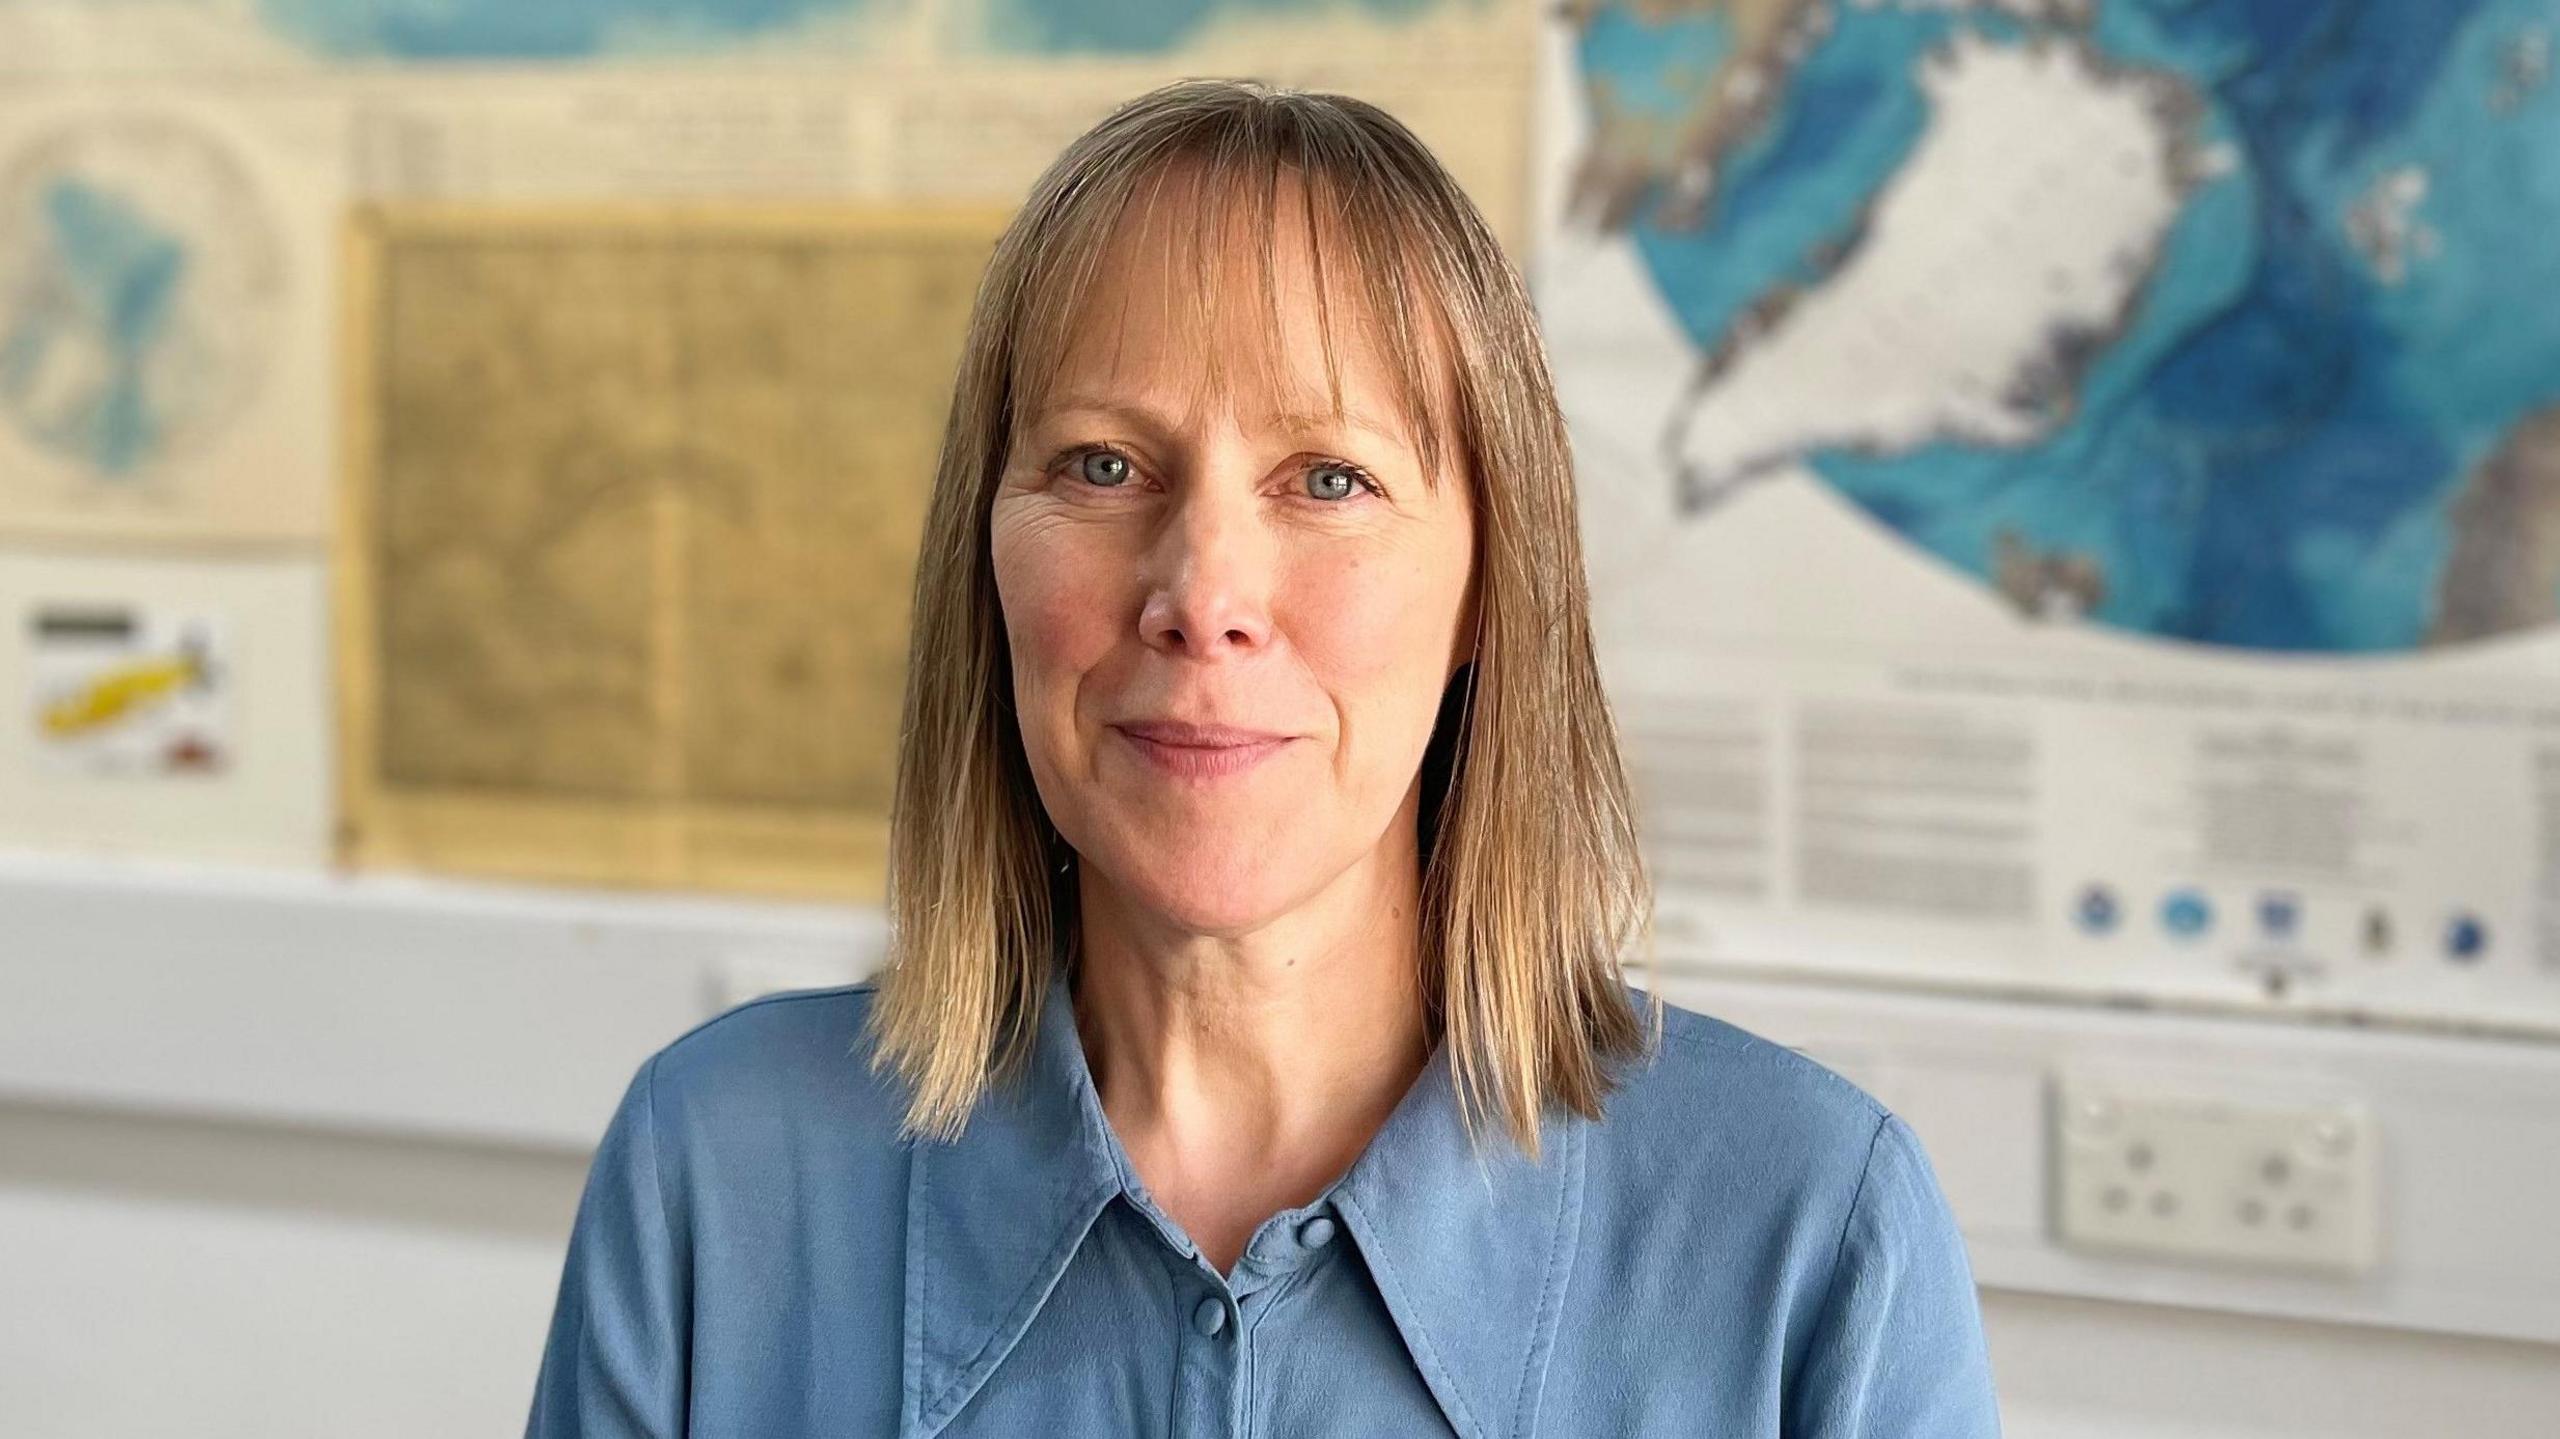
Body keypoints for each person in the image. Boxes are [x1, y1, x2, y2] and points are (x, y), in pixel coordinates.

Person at [526, 78, 2002, 1438]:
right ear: (983, 551)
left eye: (1329, 479)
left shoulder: (1812, 1238)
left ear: (1494, 582)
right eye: (1103, 466)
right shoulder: (717, 1177)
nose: (1204, 598)